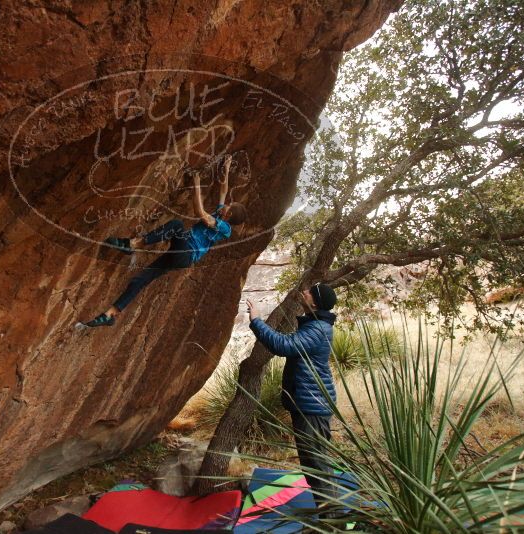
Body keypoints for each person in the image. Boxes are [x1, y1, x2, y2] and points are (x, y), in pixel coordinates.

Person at [81, 156, 247, 327]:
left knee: (176, 225)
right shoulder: (222, 213)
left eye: (229, 205)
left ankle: (132, 245)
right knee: (141, 280)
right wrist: (226, 170)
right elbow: (223, 192)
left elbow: (201, 213)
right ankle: (110, 315)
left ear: (229, 215)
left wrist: (196, 184)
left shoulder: (225, 228)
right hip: (181, 253)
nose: (226, 204)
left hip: (187, 253)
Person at [246, 283, 338, 513]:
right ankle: (330, 516)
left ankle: (333, 521)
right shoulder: (316, 325)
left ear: (315, 303)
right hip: (310, 403)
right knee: (314, 464)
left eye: (310, 291)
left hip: (312, 406)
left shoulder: (318, 329)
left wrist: (257, 320)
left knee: (316, 465)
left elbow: (284, 345)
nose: (304, 291)